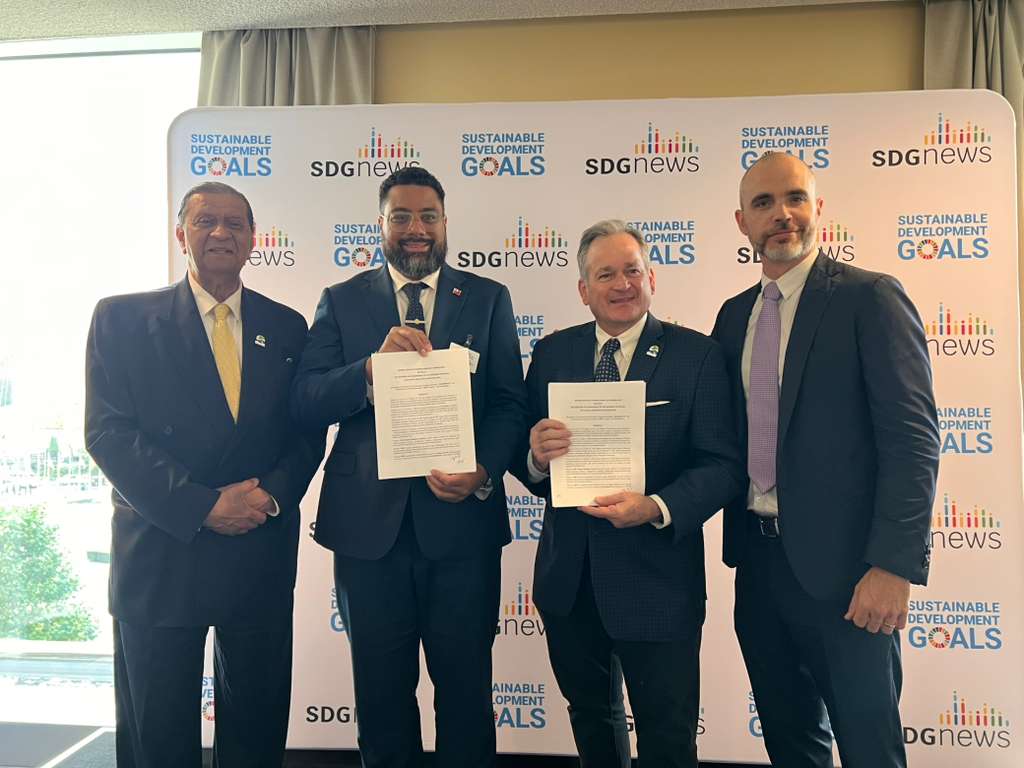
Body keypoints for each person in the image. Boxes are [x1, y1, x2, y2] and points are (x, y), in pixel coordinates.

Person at [291, 166, 527, 768]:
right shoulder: (341, 301)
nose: (415, 229)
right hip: (370, 532)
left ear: (445, 224)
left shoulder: (487, 298)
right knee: (380, 692)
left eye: (428, 216)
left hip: (463, 530)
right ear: (381, 225)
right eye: (401, 216)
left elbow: (508, 404)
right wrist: (368, 369)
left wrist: (483, 472)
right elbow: (307, 398)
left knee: (466, 690)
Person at [711, 151, 940, 768]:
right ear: (742, 223)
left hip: (850, 578)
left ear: (818, 209)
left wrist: (893, 566)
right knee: (792, 745)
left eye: (793, 198)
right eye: (763, 203)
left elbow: (913, 439)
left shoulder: (870, 298)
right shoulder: (734, 317)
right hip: (757, 570)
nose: (781, 214)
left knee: (870, 749)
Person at [84, 181, 325, 768]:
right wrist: (200, 506)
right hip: (162, 549)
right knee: (157, 732)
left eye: (236, 223)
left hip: (257, 549)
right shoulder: (121, 319)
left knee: (257, 723)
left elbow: (305, 431)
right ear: (180, 234)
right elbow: (108, 433)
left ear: (253, 240)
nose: (222, 233)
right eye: (206, 221)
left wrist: (267, 498)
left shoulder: (289, 327)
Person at [511, 220, 744, 768]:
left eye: (632, 270)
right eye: (606, 274)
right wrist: (534, 459)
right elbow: (521, 456)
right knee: (592, 721)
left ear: (652, 278)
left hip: (658, 582)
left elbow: (724, 465)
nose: (621, 284)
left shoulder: (697, 356)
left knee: (667, 732)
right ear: (583, 290)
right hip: (569, 581)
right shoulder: (552, 353)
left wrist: (656, 507)